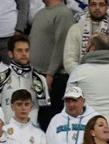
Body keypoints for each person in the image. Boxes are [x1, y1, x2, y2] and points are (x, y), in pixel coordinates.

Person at [67, 33, 109, 140]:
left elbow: (68, 100)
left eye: (88, 44)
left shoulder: (79, 71)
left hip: (86, 126)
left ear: (92, 49)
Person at [29, 0, 75, 131]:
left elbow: (62, 46)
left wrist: (50, 74)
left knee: (50, 122)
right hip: (37, 75)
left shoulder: (64, 13)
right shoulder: (40, 13)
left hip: (54, 78)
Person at [0, 34, 50, 126]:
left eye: (27, 50)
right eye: (19, 50)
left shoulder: (39, 79)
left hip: (31, 132)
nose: (24, 53)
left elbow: (45, 111)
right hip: (7, 132)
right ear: (10, 53)